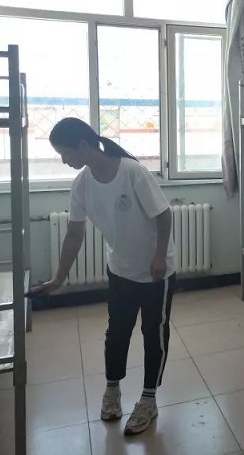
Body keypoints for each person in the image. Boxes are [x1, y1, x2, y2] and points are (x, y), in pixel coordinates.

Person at [32, 118, 177, 437]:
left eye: (65, 153)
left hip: (156, 272)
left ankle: (149, 399)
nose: (63, 160)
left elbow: (164, 214)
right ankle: (113, 389)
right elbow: (74, 235)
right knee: (117, 332)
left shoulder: (132, 172)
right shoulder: (81, 184)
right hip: (121, 270)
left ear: (83, 145)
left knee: (154, 333)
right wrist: (58, 279)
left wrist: (158, 256)